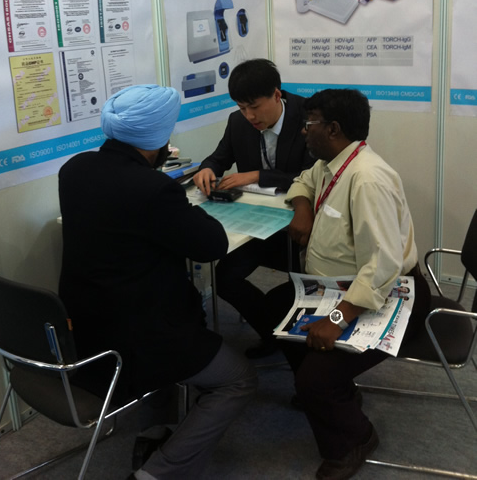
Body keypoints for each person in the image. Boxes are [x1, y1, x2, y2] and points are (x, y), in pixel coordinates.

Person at [58, 84, 257, 480]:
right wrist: (185, 205)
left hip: (85, 328)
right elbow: (211, 245)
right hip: (142, 336)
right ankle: (156, 474)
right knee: (238, 379)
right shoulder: (154, 189)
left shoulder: (74, 169)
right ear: (159, 140)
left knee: (162, 318)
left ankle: (155, 431)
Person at [264, 88, 431, 480]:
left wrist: (338, 318)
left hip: (390, 294)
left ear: (333, 129)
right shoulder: (331, 162)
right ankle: (338, 391)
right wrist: (302, 208)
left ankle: (355, 439)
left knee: (314, 380)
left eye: (309, 124)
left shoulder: (367, 178)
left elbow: (383, 265)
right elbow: (303, 181)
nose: (303, 131)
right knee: (273, 309)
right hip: (338, 287)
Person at [193, 59, 314, 358]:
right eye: (241, 107)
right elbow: (219, 157)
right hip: (257, 224)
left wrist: (258, 175)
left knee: (301, 287)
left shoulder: (308, 118)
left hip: (301, 225)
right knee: (224, 280)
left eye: (254, 107)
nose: (249, 116)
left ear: (277, 95)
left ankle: (297, 343)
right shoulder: (238, 122)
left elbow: (312, 176)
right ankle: (274, 335)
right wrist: (207, 169)